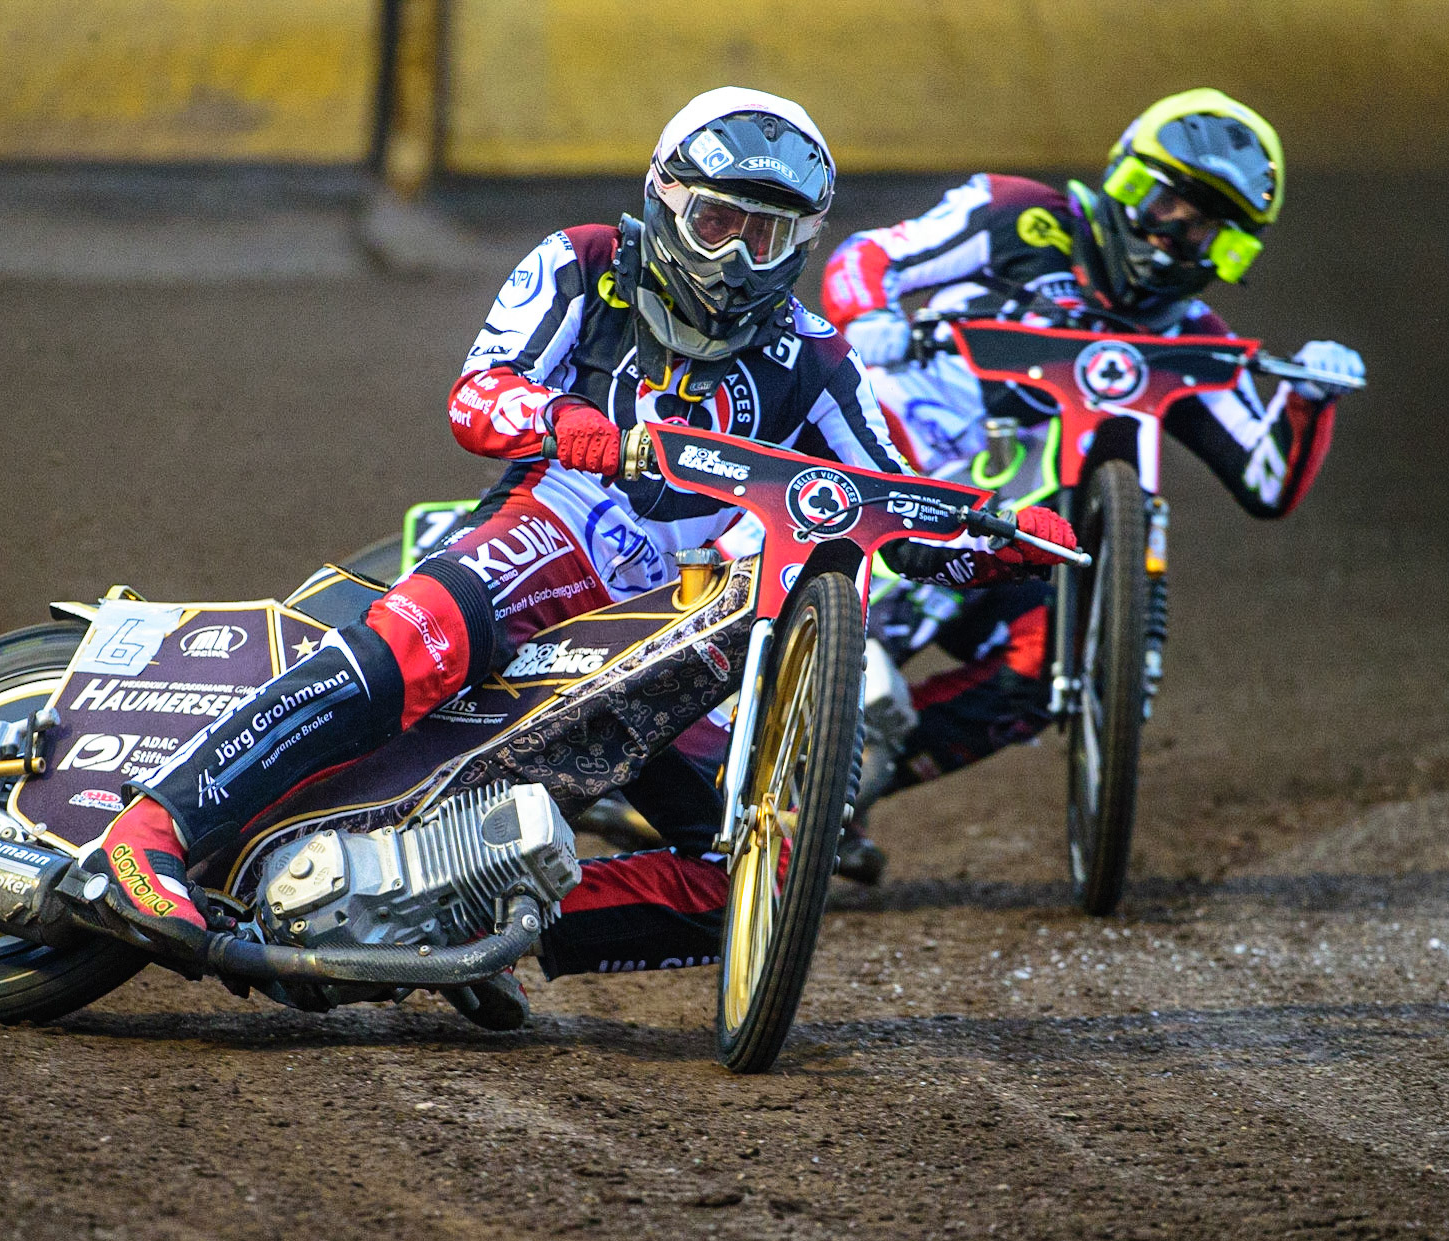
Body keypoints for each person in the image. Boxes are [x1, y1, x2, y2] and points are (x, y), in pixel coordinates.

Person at [87, 88, 1077, 989]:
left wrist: (999, 540)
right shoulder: (585, 261)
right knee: (414, 642)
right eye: (718, 222)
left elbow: (888, 505)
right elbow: (476, 395)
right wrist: (569, 425)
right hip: (550, 527)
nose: (737, 258)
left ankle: (467, 926)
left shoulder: (816, 357)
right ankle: (152, 830)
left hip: (667, 616)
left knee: (749, 873)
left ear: (804, 243)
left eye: (767, 235)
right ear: (666, 197)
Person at [812, 88, 1365, 883]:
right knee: (852, 647)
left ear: (1232, 249)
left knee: (1053, 650)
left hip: (1005, 532)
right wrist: (870, 315)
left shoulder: (1189, 337)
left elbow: (1265, 479)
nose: (1173, 236)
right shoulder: (1021, 216)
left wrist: (1309, 399)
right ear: (1124, 178)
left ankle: (845, 786)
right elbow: (868, 258)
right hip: (884, 467)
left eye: (1205, 227)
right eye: (1165, 202)